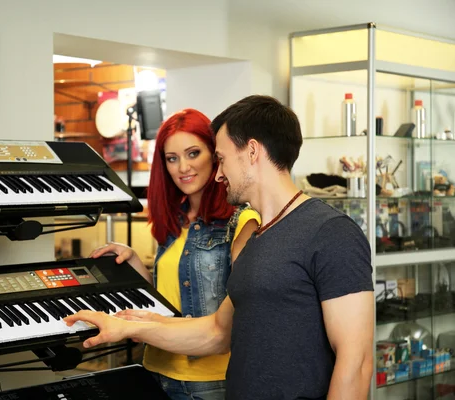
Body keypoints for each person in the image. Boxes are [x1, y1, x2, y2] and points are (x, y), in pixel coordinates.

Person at [65, 95, 375, 400]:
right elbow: (215, 332)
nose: (218, 173)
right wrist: (123, 325)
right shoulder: (258, 238)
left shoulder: (332, 232)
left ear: (252, 151)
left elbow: (357, 364)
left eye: (222, 159)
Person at [89, 108, 261, 400]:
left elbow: (241, 315)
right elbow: (171, 301)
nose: (183, 167)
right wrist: (133, 261)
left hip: (208, 382)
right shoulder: (174, 220)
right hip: (155, 369)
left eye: (193, 153)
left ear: (215, 155)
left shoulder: (242, 221)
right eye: (172, 158)